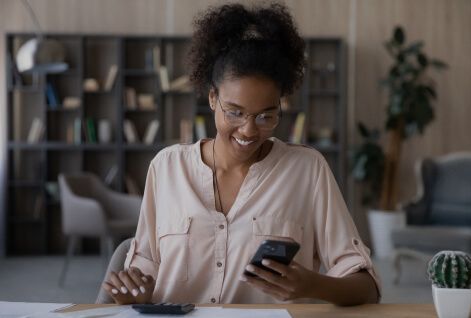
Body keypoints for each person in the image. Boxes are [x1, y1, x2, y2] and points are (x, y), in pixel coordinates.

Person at [102, 3, 381, 306]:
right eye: (235, 112)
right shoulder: (167, 168)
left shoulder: (307, 170)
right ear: (212, 98)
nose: (249, 130)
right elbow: (143, 271)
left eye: (266, 116)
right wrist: (136, 291)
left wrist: (313, 285)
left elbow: (367, 287)